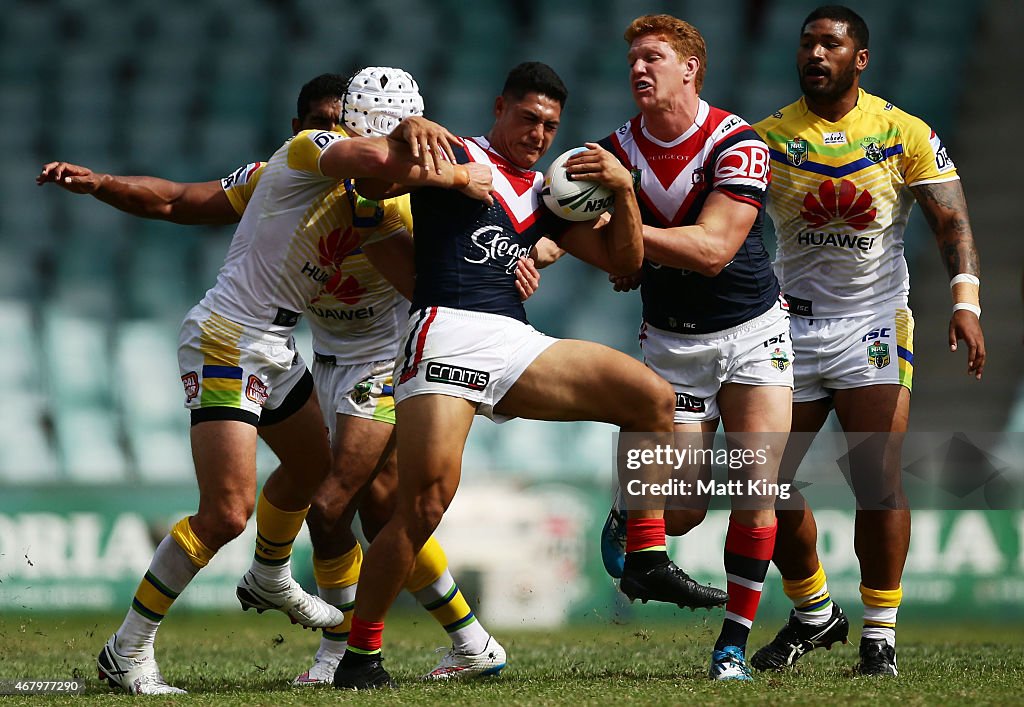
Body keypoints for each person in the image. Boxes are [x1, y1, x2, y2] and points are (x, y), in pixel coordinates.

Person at [38, 70, 529, 686]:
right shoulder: (309, 154)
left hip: (299, 347)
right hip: (230, 339)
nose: (331, 132)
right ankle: (129, 650)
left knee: (326, 484)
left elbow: (464, 252)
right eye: (329, 124)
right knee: (228, 514)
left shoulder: (397, 194)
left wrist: (514, 267)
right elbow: (176, 200)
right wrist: (104, 184)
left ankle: (281, 583)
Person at [332, 61, 728, 690]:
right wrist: (411, 129)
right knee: (424, 505)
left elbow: (624, 263)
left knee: (652, 399)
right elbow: (366, 178)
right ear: (499, 108)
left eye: (550, 125)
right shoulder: (456, 151)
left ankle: (646, 554)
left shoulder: (553, 194)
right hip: (445, 331)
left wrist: (624, 192)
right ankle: (360, 656)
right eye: (528, 118)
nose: (539, 133)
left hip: (513, 341)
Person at [748, 5, 985, 677]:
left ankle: (879, 638)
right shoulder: (765, 138)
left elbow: (951, 220)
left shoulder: (901, 131)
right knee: (762, 482)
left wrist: (965, 301)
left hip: (874, 326)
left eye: (831, 43)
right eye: (806, 43)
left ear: (861, 58)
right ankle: (814, 612)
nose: (815, 53)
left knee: (876, 475)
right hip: (789, 327)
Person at [586, 14, 794, 681]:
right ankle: (630, 506)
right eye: (632, 62)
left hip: (754, 334)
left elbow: (713, 249)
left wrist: (627, 232)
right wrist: (540, 249)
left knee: (759, 490)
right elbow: (570, 226)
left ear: (690, 67)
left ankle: (730, 646)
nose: (639, 70)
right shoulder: (610, 150)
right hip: (673, 347)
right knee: (681, 510)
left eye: (653, 57)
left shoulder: (738, 142)